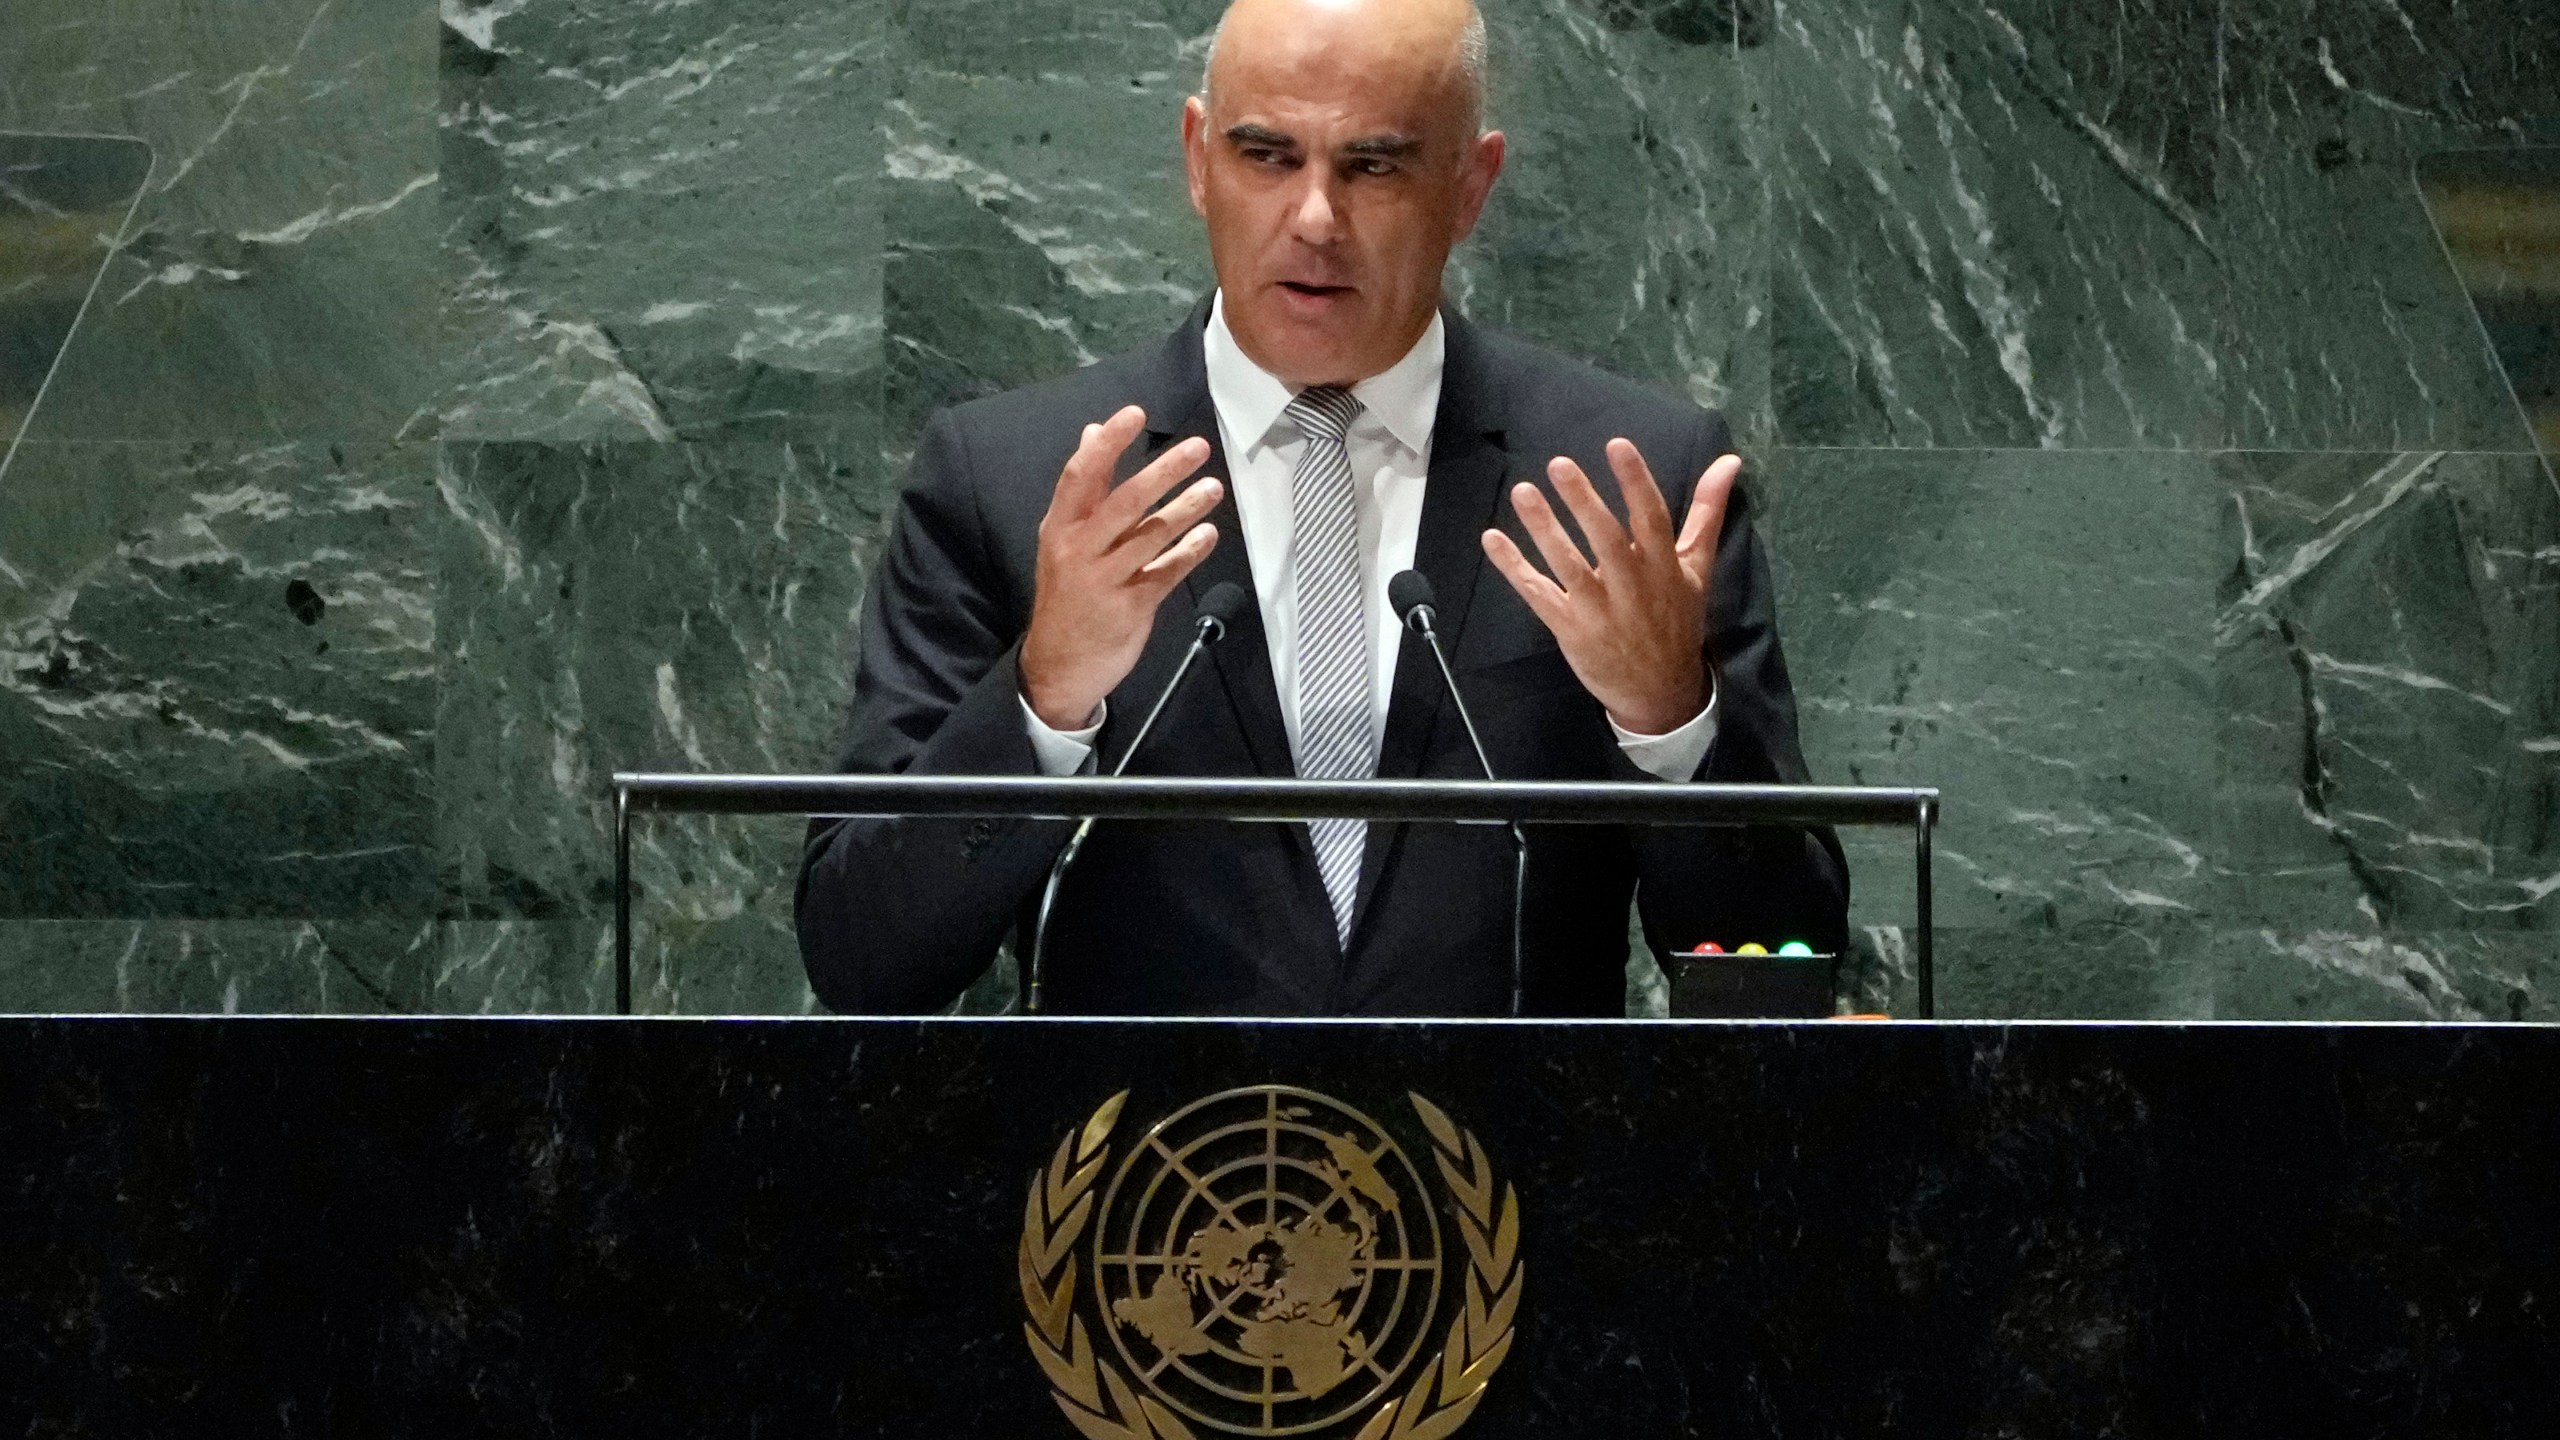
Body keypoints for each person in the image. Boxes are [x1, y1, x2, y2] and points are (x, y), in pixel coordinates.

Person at [796, 0, 1847, 1016]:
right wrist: (1043, 697)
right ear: (1197, 158)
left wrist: (1668, 719)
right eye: (1266, 156)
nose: (1313, 220)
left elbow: (1791, 962)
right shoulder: (1007, 480)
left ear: (1470, 185)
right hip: (1138, 1141)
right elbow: (864, 960)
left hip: (1512, 1139)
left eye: (1373, 166)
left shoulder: (1634, 486)